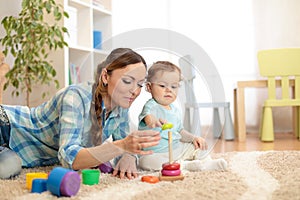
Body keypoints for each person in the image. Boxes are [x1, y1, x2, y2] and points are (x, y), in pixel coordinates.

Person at [0, 48, 161, 179]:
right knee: (7, 167)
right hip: (6, 126)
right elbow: (68, 157)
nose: (135, 91)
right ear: (105, 76)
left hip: (18, 152)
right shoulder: (75, 97)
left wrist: (129, 156)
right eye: (127, 81)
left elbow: (124, 145)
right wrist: (123, 146)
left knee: (10, 165)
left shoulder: (121, 106)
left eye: (140, 84)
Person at [138, 61, 227, 171]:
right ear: (149, 87)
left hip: (176, 149)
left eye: (174, 86)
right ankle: (184, 166)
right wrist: (153, 121)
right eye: (162, 85)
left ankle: (207, 164)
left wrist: (194, 138)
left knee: (198, 147)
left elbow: (180, 131)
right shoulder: (151, 106)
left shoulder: (175, 110)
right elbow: (148, 117)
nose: (169, 90)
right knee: (145, 161)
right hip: (156, 153)